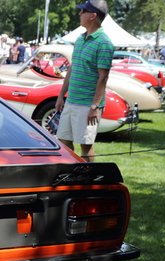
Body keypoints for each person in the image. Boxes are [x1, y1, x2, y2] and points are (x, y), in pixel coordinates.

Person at [55, 0, 113, 163]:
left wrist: (94, 107)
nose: (79, 14)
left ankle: (86, 178)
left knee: (85, 145)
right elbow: (73, 69)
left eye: (83, 11)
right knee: (63, 140)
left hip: (88, 104)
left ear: (93, 15)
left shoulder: (104, 43)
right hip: (72, 100)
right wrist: (61, 95)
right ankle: (72, 172)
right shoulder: (80, 39)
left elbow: (103, 77)